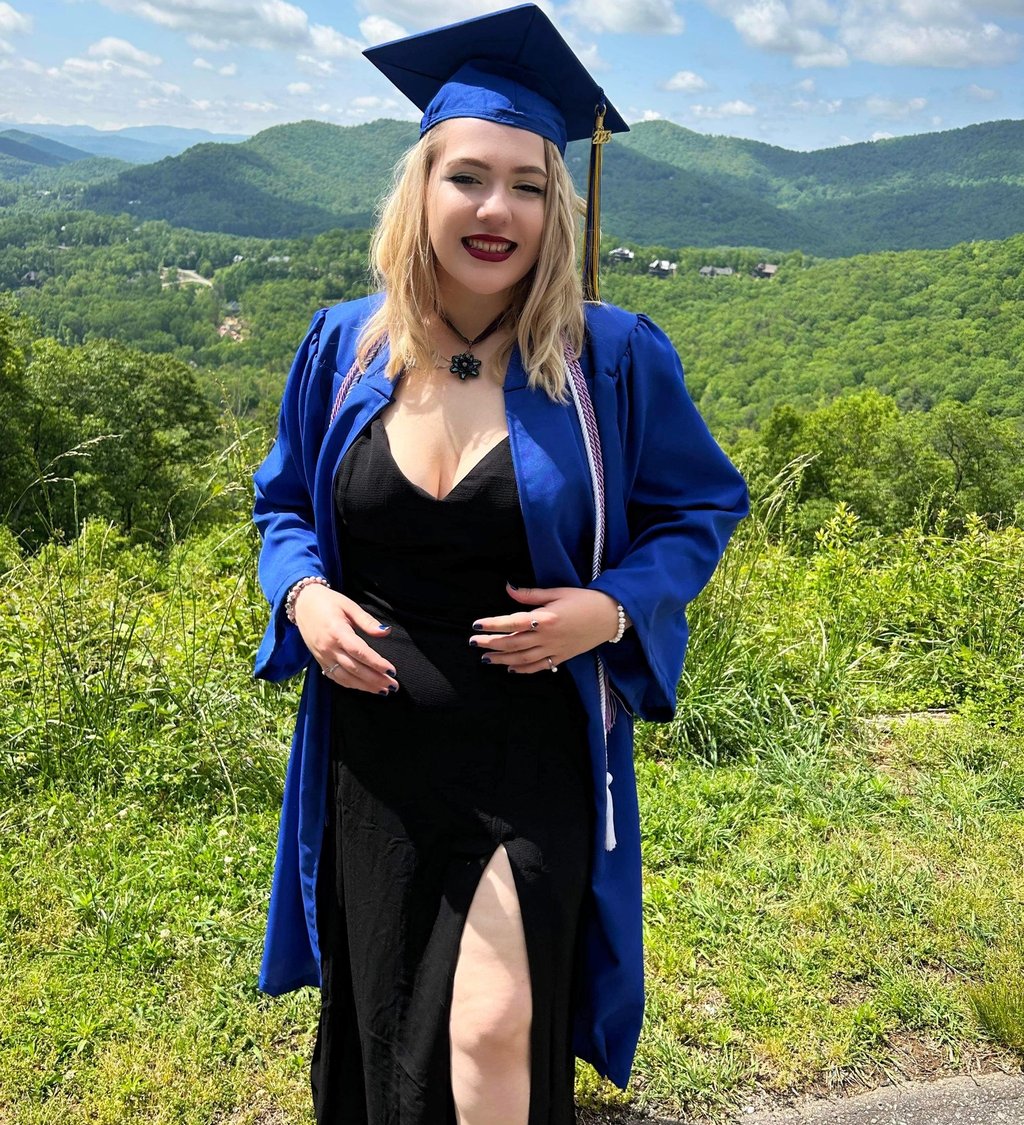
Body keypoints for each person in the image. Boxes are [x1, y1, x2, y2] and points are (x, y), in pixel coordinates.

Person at [252, 6, 749, 1124]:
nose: (498, 209)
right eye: (468, 176)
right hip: (370, 747)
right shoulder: (345, 346)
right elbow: (283, 502)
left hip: (532, 740)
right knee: (383, 1012)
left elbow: (701, 508)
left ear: (557, 208)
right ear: (419, 189)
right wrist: (305, 592)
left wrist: (614, 611)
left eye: (529, 184)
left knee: (489, 1028)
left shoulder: (608, 360)